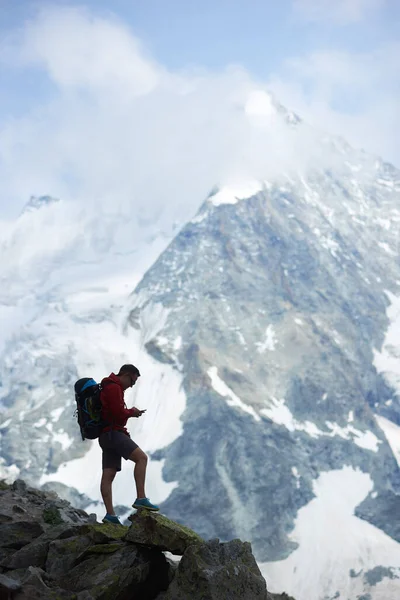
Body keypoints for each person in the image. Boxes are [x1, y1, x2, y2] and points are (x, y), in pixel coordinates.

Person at [98, 363, 159, 524]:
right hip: (114, 433)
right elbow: (118, 413)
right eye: (132, 381)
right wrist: (132, 412)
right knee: (142, 458)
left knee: (108, 474)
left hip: (105, 436)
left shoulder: (108, 386)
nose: (131, 386)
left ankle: (110, 515)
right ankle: (141, 498)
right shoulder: (114, 388)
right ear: (125, 374)